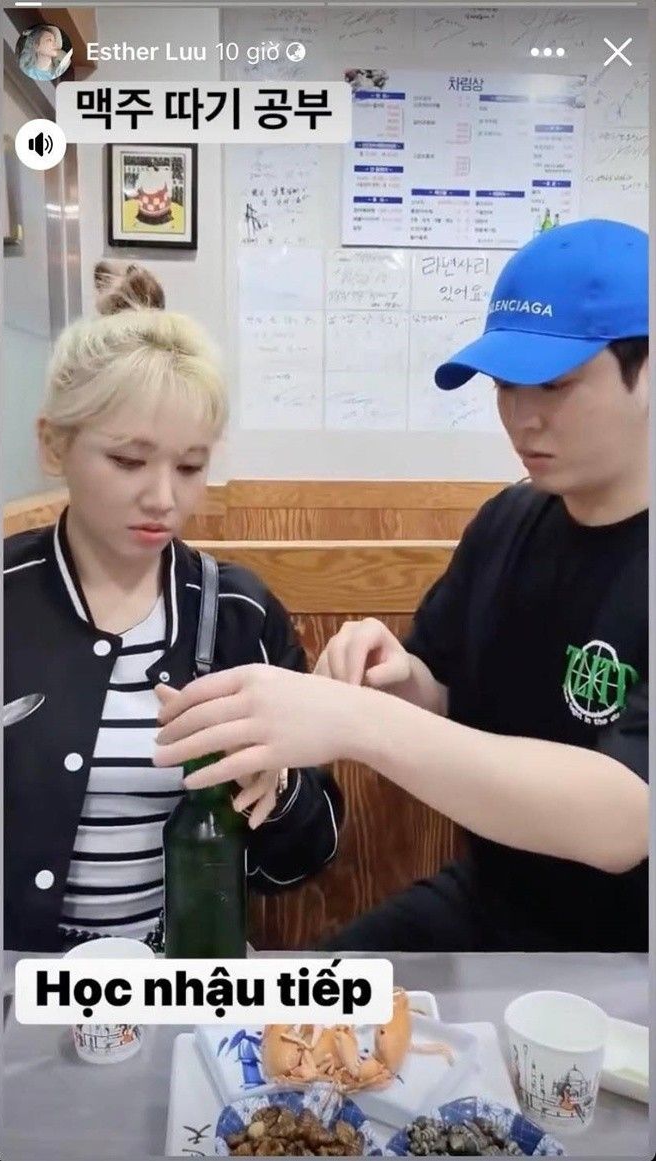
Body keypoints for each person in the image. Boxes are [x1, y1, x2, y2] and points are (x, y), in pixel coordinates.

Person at [155, 218, 648, 953]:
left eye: (554, 383)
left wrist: (359, 722)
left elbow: (625, 821)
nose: (522, 416)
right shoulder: (510, 521)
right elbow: (442, 689)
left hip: (627, 945)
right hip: (491, 902)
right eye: (506, 385)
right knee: (297, 999)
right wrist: (394, 678)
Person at [4, 261, 343, 953]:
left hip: (187, 979)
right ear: (53, 445)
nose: (163, 497)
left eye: (189, 467)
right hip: (23, 986)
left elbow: (305, 859)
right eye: (129, 461)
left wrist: (276, 790)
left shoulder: (239, 614)